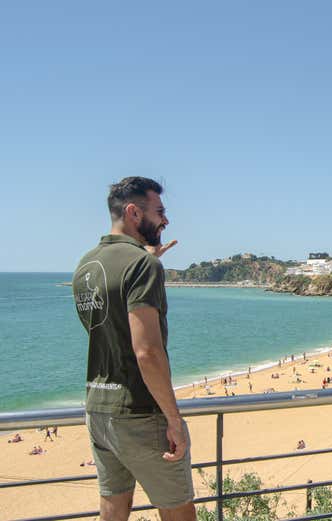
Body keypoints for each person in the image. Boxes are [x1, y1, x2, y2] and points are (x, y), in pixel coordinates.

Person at [72, 177, 194, 521]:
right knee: (178, 512)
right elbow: (147, 351)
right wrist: (173, 419)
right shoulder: (143, 266)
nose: (166, 220)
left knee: (113, 509)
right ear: (133, 212)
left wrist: (147, 257)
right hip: (139, 412)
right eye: (159, 212)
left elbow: (109, 331)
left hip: (98, 409)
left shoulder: (86, 265)